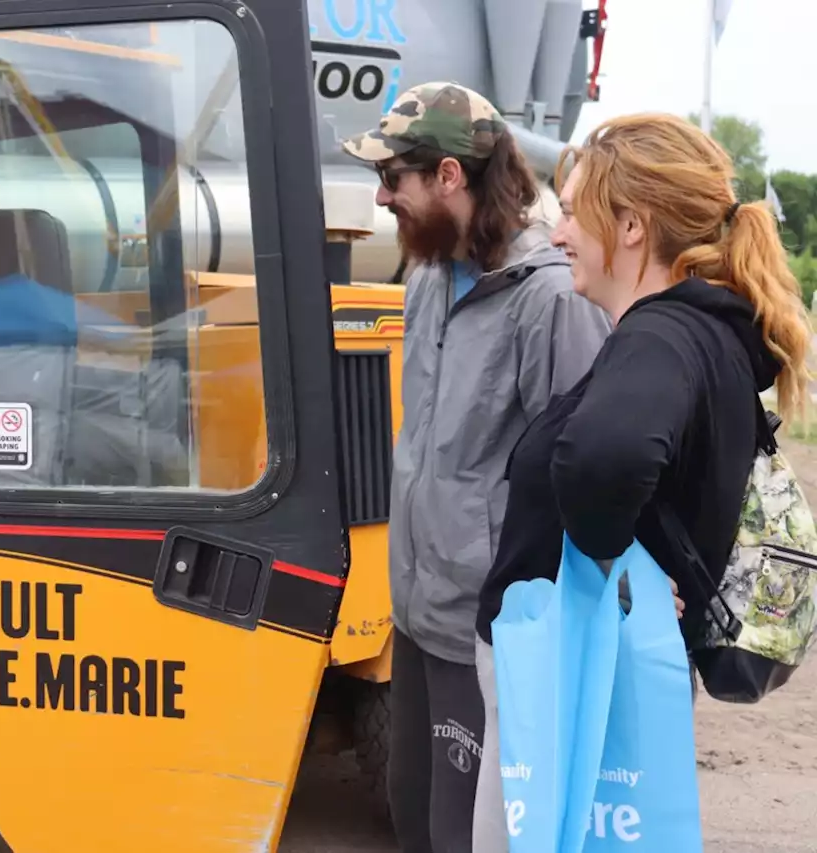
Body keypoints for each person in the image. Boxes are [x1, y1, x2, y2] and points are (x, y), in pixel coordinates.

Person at [471, 112, 812, 852]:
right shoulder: (712, 336)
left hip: (568, 675)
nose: (557, 235)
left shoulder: (658, 335)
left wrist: (607, 564)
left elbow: (602, 457)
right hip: (603, 670)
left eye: (570, 212)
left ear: (631, 225)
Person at [341, 82, 612, 853]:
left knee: (467, 837)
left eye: (395, 177)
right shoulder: (427, 276)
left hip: (488, 629)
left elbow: (584, 468)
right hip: (417, 615)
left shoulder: (549, 298)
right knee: (415, 821)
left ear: (451, 178)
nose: (383, 195)